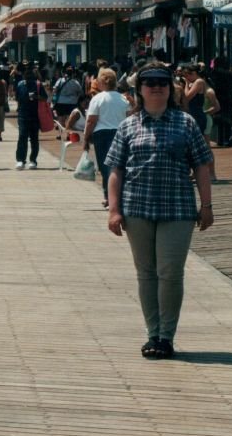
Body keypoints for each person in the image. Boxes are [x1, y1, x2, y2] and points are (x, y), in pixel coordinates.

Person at [105, 62, 213, 359]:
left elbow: (202, 166)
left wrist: (207, 205)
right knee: (146, 273)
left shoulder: (186, 123)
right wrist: (114, 210)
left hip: (177, 208)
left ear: (171, 88)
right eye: (149, 82)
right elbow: (116, 169)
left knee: (170, 272)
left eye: (162, 82)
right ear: (139, 89)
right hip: (137, 208)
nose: (156, 86)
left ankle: (166, 335)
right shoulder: (129, 125)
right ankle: (152, 333)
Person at [83, 68, 130, 206]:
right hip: (121, 133)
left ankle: (109, 196)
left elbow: (91, 120)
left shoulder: (97, 98)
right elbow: (128, 117)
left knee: (105, 166)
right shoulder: (123, 98)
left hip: (101, 134)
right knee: (119, 166)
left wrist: (86, 138)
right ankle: (116, 195)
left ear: (102, 82)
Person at [15, 64, 48, 170]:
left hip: (35, 116)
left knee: (34, 139)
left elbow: (45, 98)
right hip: (23, 115)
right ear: (24, 74)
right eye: (26, 73)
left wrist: (36, 97)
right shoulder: (20, 85)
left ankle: (33, 160)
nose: (28, 75)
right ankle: (20, 160)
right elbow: (17, 98)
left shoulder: (38, 85)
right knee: (22, 138)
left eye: (30, 74)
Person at [181, 63, 207, 135]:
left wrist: (186, 83)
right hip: (192, 114)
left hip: (197, 115)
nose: (187, 77)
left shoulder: (199, 81)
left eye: (187, 75)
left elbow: (187, 97)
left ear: (194, 73)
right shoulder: (194, 82)